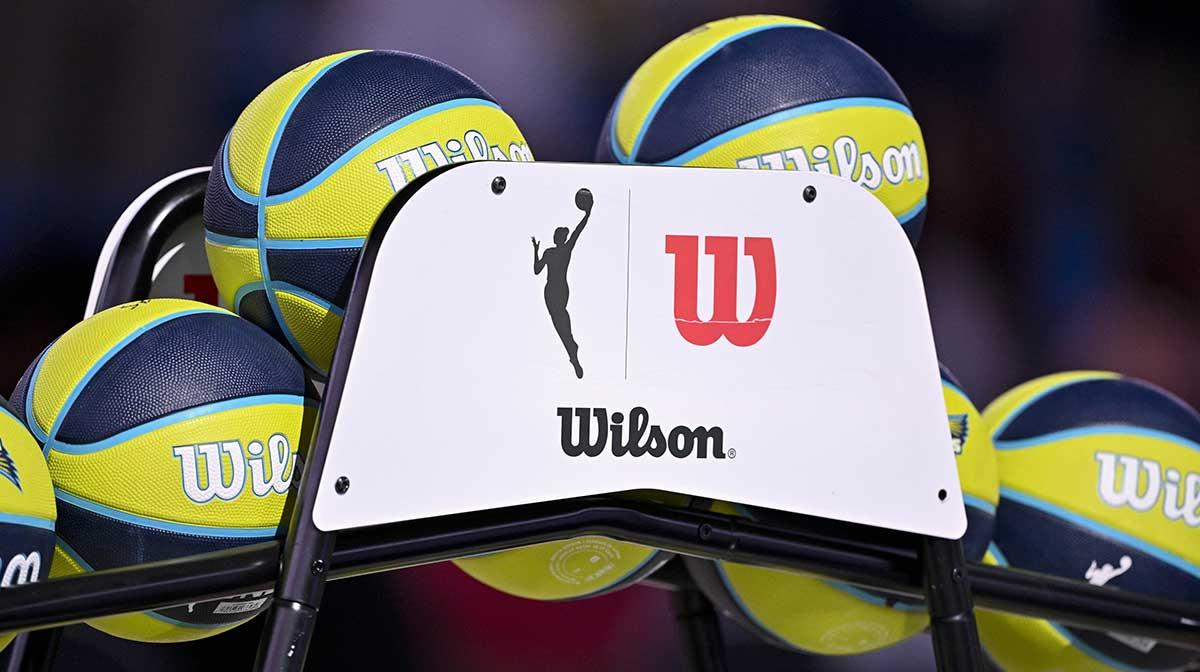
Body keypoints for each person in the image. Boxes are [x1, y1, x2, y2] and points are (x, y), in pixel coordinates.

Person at [532, 188, 593, 379]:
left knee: (560, 321)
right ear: (561, 238)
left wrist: (536, 251)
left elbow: (536, 269)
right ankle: (572, 350)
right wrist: (587, 215)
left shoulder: (552, 252)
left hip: (553, 291)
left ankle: (572, 349)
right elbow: (577, 232)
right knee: (560, 321)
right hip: (556, 291)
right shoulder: (563, 251)